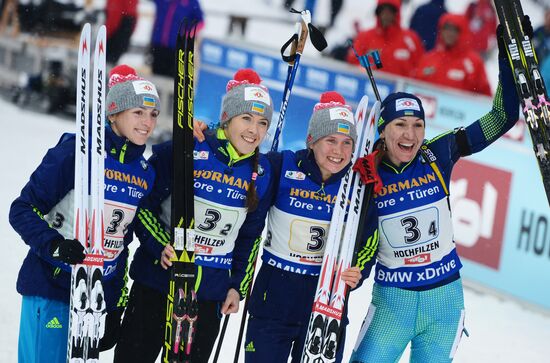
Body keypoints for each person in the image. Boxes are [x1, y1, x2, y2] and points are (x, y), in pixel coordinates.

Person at [350, 24, 520, 363]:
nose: (410, 134)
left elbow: (503, 117)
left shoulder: (437, 152)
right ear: (382, 131)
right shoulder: (367, 172)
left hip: (444, 302)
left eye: (418, 125)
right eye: (400, 125)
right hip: (392, 305)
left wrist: (507, 58)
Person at [113, 69, 275, 362]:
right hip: (158, 282)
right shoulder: (189, 147)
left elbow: (250, 236)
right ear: (227, 117)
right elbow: (142, 204)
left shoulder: (261, 173)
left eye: (263, 123)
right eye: (247, 119)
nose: (254, 130)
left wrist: (237, 286)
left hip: (209, 293)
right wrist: (160, 245)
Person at [9, 64, 161, 362]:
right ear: (114, 114)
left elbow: (121, 244)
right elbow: (22, 209)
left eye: (153, 113)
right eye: (138, 112)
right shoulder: (76, 152)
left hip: (93, 299)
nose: (147, 122)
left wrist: (114, 306)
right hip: (52, 285)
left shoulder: (144, 173)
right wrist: (54, 245)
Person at [243, 91, 380, 363]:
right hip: (274, 297)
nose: (338, 152)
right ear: (311, 140)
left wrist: (359, 270)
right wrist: (208, 132)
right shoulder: (281, 165)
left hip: (326, 303)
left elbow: (370, 240)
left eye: (346, 143)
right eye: (330, 140)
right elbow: (250, 225)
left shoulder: (360, 185)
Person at [414, 13, 491, 96]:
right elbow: (413, 85)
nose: (449, 33)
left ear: (462, 32)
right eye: (446, 29)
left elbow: (484, 95)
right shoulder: (428, 59)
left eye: (454, 30)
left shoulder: (473, 62)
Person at [346, 0, 424, 78]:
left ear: (396, 13)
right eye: (383, 11)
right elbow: (353, 62)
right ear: (378, 13)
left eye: (390, 12)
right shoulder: (365, 37)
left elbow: (420, 69)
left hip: (401, 88)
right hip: (371, 87)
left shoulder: (411, 39)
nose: (386, 15)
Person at [150, 0, 204, 77]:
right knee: (157, 75)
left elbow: (201, 22)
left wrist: (187, 34)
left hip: (177, 47)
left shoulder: (191, 2)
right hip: (158, 45)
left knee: (172, 78)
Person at [106, 0, 138, 65]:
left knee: (110, 56)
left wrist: (108, 31)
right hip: (126, 21)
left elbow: (115, 11)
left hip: (120, 22)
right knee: (114, 54)